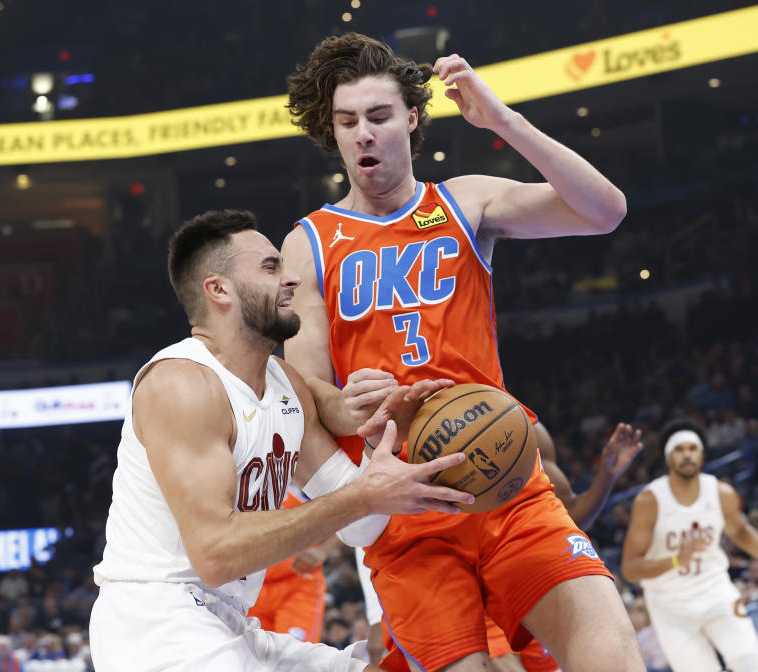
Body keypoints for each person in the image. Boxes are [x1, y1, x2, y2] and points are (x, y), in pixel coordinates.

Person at [282, 32, 641, 672]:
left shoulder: (464, 199)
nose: (363, 133)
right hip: (403, 504)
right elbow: (305, 388)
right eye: (347, 121)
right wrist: (347, 406)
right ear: (332, 133)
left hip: (501, 473)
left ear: (412, 118)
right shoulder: (309, 242)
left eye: (379, 115)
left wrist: (501, 119)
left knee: (612, 656)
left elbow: (605, 210)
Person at [88, 209, 473, 672]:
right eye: (271, 267)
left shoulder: (286, 386)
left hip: (228, 621)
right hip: (157, 623)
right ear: (219, 289)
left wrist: (379, 444)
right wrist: (363, 495)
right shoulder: (182, 384)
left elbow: (361, 526)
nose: (291, 279)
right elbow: (216, 554)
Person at [621, 420, 758, 672]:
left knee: (750, 662)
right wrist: (675, 560)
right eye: (679, 449)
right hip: (669, 604)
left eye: (692, 448)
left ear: (702, 455)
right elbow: (630, 568)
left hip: (715, 591)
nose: (687, 455)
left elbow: (741, 532)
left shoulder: (720, 492)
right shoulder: (650, 500)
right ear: (668, 458)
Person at [487, 421, 644, 672]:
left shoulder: (520, 422)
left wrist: (607, 474)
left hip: (522, 563)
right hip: (462, 577)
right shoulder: (406, 438)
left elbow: (569, 513)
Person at [247, 485, 341, 643]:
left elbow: (359, 513)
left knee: (293, 658)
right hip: (255, 583)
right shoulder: (260, 480)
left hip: (300, 583)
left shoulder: (329, 483)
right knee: (245, 654)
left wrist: (323, 551)